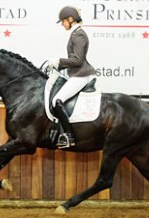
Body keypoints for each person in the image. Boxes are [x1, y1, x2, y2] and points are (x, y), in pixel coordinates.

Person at [49, 6, 96, 148]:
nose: (62, 24)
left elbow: (77, 61)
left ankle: (68, 136)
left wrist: (59, 61)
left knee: (57, 100)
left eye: (63, 21)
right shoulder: (75, 34)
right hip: (78, 73)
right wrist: (58, 66)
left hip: (82, 74)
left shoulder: (79, 35)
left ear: (70, 19)